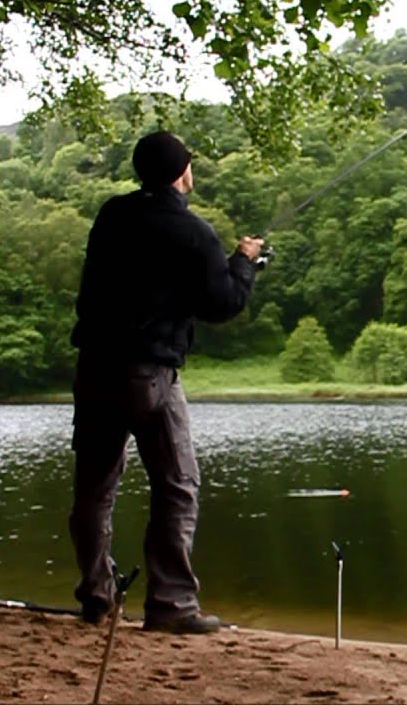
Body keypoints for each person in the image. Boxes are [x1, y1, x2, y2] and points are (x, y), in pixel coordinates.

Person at [68, 130, 263, 634]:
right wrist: (244, 263)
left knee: (94, 491)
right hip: (148, 375)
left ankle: (96, 597)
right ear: (182, 172)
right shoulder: (193, 232)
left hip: (93, 369)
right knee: (177, 487)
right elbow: (221, 304)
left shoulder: (111, 215)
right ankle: (171, 606)